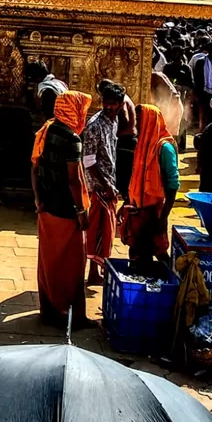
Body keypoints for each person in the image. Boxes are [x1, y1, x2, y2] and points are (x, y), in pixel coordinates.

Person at [31, 90, 93, 329]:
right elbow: (73, 180)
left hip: (46, 207)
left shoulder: (46, 130)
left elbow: (34, 168)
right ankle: (73, 316)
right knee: (73, 265)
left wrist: (37, 198)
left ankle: (48, 310)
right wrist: (81, 210)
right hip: (66, 210)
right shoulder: (71, 139)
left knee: (48, 263)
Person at [122, 103, 180, 276]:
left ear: (151, 121)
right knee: (138, 252)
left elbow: (172, 185)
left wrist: (163, 217)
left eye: (140, 120)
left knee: (157, 251)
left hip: (155, 212)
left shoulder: (165, 148)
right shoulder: (141, 144)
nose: (137, 124)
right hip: (138, 211)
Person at [82, 81, 123, 284]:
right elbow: (89, 161)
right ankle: (92, 273)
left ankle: (95, 272)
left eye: (113, 103)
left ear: (120, 104)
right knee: (96, 231)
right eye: (106, 103)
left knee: (105, 232)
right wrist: (106, 185)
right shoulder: (94, 126)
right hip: (98, 187)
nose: (109, 107)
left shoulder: (113, 122)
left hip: (109, 183)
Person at [190, 41, 212, 132]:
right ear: (208, 50)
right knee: (203, 115)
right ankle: (202, 133)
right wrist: (198, 93)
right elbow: (198, 78)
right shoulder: (201, 61)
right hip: (203, 93)